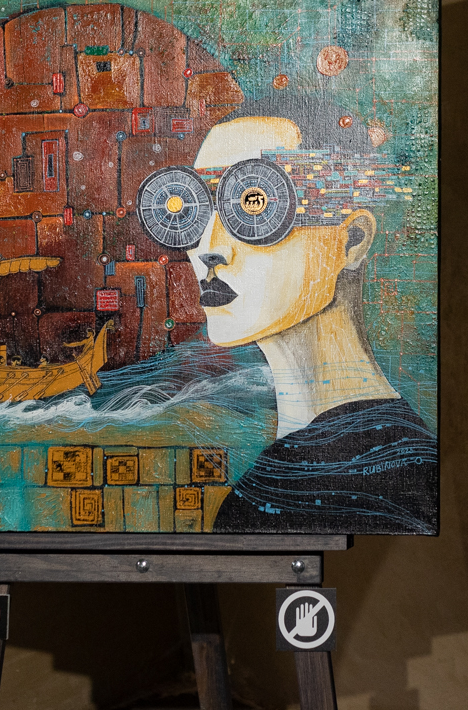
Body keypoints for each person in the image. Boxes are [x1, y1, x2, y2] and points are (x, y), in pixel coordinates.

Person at [184, 96, 438, 534]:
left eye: (255, 204)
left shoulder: (366, 483)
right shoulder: (395, 451)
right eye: (197, 209)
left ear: (352, 241)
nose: (210, 247)